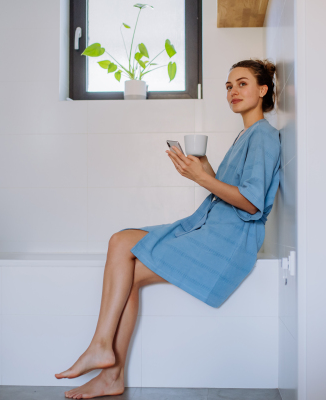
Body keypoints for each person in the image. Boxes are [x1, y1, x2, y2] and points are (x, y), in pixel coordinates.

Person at [56, 59, 282, 399]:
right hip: (211, 229)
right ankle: (109, 369)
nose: (233, 91)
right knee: (122, 255)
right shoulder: (246, 135)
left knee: (122, 248)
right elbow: (234, 192)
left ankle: (103, 352)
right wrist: (206, 170)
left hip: (227, 240)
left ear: (263, 90)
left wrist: (201, 178)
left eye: (242, 84)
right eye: (228, 86)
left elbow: (250, 203)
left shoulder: (264, 135)